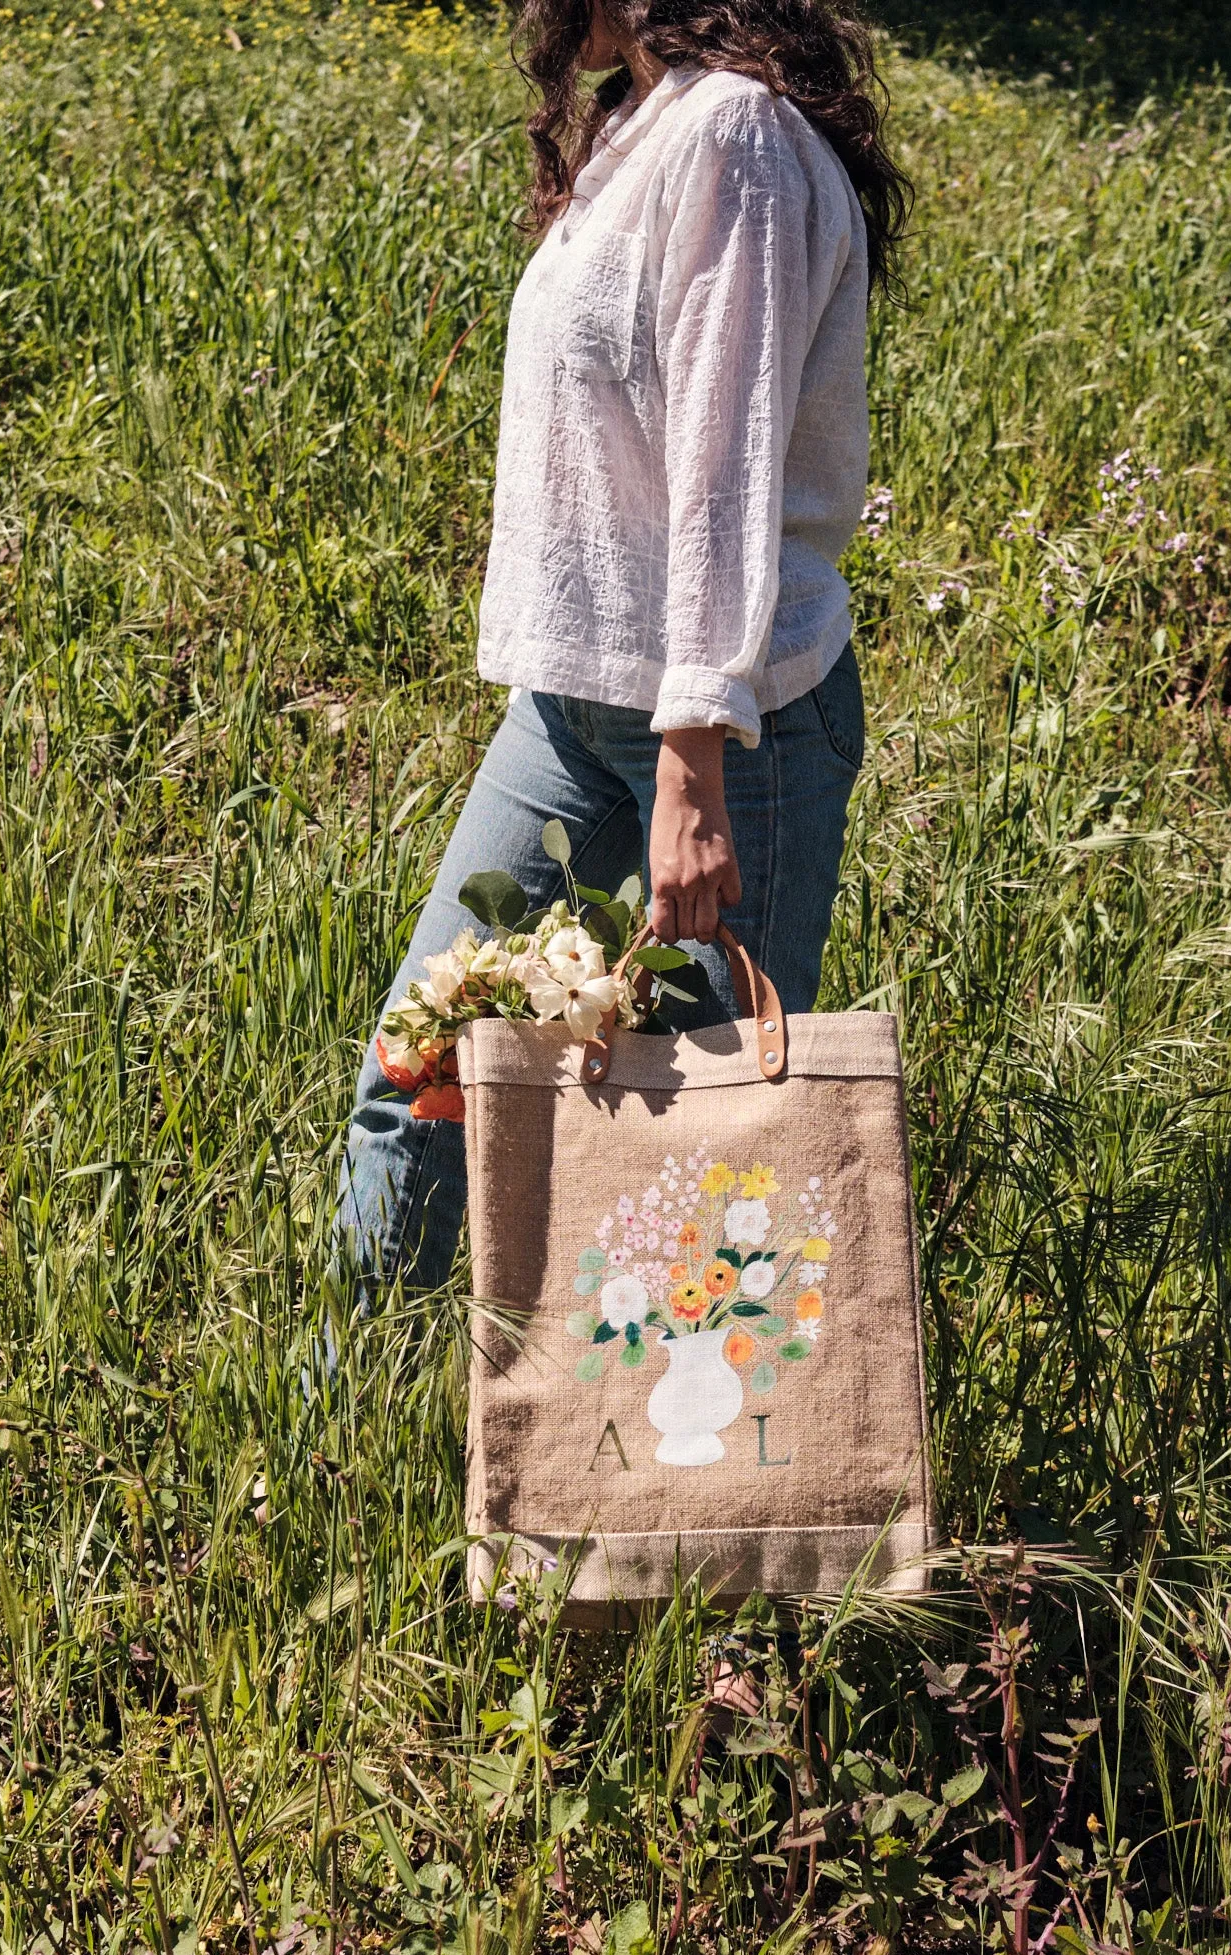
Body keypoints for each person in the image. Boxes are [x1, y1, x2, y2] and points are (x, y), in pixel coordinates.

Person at [342, 0, 908, 1286]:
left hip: (723, 739)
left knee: (700, 1161)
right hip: (568, 711)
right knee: (420, 1084)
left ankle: (676, 1477)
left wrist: (692, 756)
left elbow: (722, 468)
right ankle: (349, 1440)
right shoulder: (641, 125)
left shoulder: (737, 137)